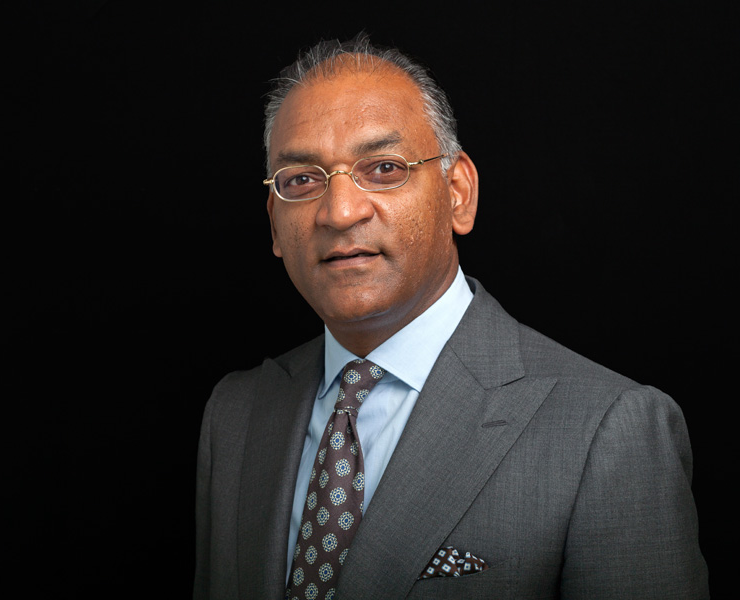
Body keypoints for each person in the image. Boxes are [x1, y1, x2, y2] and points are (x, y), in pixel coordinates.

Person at [193, 34, 708, 599]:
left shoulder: (608, 431)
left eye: (383, 167)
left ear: (458, 193)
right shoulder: (236, 414)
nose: (339, 212)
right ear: (274, 221)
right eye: (302, 180)